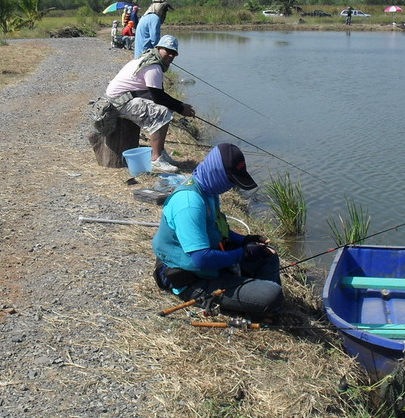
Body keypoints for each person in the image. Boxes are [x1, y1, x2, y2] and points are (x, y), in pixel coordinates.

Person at [152, 143, 284, 317]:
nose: (231, 187)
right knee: (272, 294)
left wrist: (244, 240)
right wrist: (243, 254)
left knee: (268, 256)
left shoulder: (208, 190)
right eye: (231, 181)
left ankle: (254, 300)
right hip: (190, 277)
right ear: (218, 173)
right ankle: (256, 300)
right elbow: (201, 259)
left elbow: (216, 229)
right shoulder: (189, 203)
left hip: (210, 266)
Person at [104, 34, 194, 173]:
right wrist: (182, 108)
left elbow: (159, 94)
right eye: (167, 51)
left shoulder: (147, 58)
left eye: (173, 53)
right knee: (162, 112)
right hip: (117, 103)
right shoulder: (153, 67)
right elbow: (158, 98)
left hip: (121, 98)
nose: (170, 56)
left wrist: (180, 105)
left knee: (165, 109)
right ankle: (156, 160)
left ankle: (160, 152)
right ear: (158, 48)